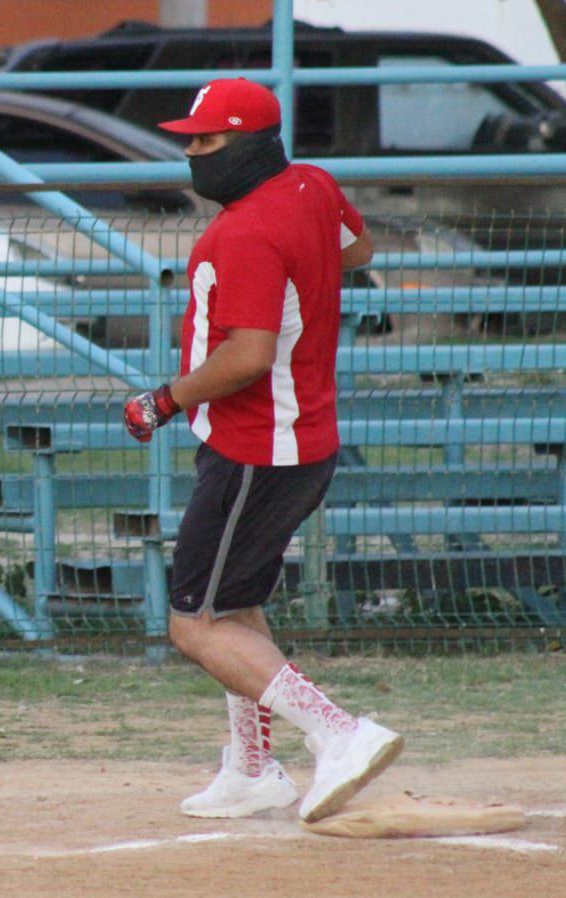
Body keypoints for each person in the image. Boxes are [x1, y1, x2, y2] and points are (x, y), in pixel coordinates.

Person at [123, 78, 402, 823]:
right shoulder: (309, 184)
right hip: (298, 436)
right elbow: (357, 247)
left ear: (249, 142)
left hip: (259, 444)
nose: (192, 153)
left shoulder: (239, 231)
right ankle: (252, 766)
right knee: (236, 599)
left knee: (194, 621)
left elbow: (246, 355)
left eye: (207, 141)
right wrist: (295, 278)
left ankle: (339, 732)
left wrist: (164, 398)